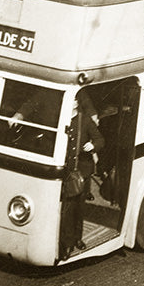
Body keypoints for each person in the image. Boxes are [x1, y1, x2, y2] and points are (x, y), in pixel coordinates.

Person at [60, 89, 104, 255]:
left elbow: (100, 139)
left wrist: (93, 146)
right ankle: (66, 243)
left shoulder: (84, 121)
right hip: (66, 172)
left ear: (77, 104)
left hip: (81, 172)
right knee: (67, 209)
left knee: (78, 207)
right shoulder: (61, 121)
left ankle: (77, 238)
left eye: (71, 101)